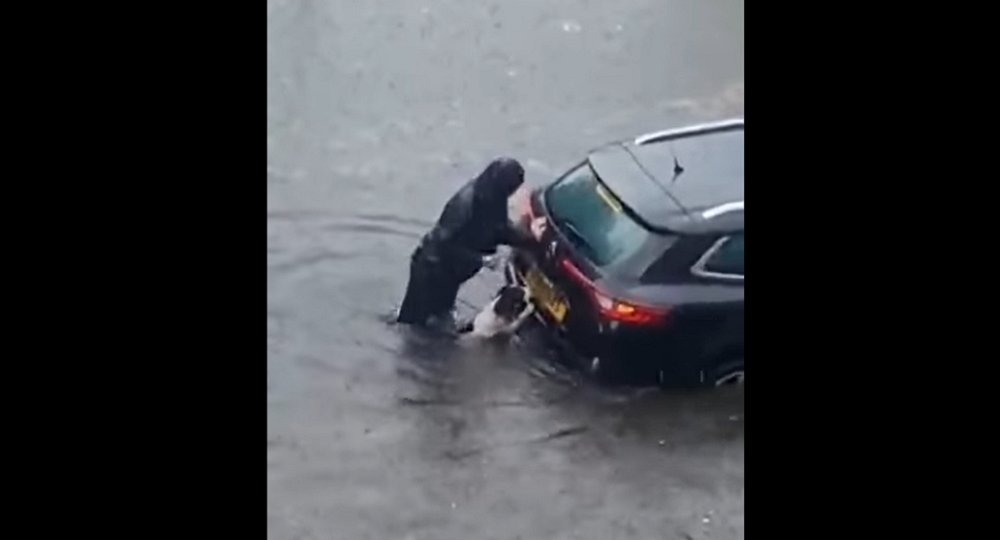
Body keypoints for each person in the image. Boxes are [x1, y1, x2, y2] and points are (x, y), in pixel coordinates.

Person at [396, 157, 542, 328]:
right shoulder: (464, 204)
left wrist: (531, 237)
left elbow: (500, 229)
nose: (510, 195)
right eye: (510, 190)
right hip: (430, 272)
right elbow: (443, 245)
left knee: (441, 317)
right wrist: (480, 260)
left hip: (451, 274)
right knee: (411, 325)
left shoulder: (494, 198)